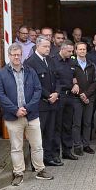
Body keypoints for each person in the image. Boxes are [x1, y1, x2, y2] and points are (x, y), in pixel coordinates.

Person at [0, 44, 52, 186]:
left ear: (22, 55)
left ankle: (40, 170)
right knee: (16, 147)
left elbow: (37, 90)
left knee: (37, 145)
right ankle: (18, 173)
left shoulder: (30, 71)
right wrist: (15, 110)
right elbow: (1, 95)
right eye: (14, 55)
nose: (16, 57)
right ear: (9, 56)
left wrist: (27, 108)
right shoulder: (2, 74)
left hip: (31, 115)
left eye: (19, 55)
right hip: (13, 116)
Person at [23, 37, 62, 166]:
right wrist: (48, 95)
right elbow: (34, 84)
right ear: (37, 46)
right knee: (37, 133)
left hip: (53, 102)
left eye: (49, 47)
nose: (48, 49)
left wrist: (56, 93)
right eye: (45, 46)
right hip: (40, 103)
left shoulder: (50, 60)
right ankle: (36, 162)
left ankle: (48, 157)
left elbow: (57, 77)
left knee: (50, 132)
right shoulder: (30, 62)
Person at [69, 41, 96, 156]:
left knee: (87, 122)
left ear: (86, 51)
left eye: (84, 49)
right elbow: (70, 81)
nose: (82, 51)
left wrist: (86, 94)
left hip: (89, 98)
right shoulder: (72, 65)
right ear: (75, 51)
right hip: (76, 98)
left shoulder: (91, 65)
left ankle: (86, 145)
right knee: (77, 123)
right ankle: (77, 146)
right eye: (79, 49)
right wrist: (81, 94)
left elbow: (94, 82)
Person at [53, 42, 77, 161]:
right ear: (62, 49)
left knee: (68, 125)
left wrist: (76, 84)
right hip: (59, 96)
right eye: (69, 51)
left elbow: (74, 75)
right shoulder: (53, 61)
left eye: (72, 51)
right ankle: (56, 153)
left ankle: (67, 151)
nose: (71, 53)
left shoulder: (72, 61)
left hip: (70, 96)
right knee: (57, 126)